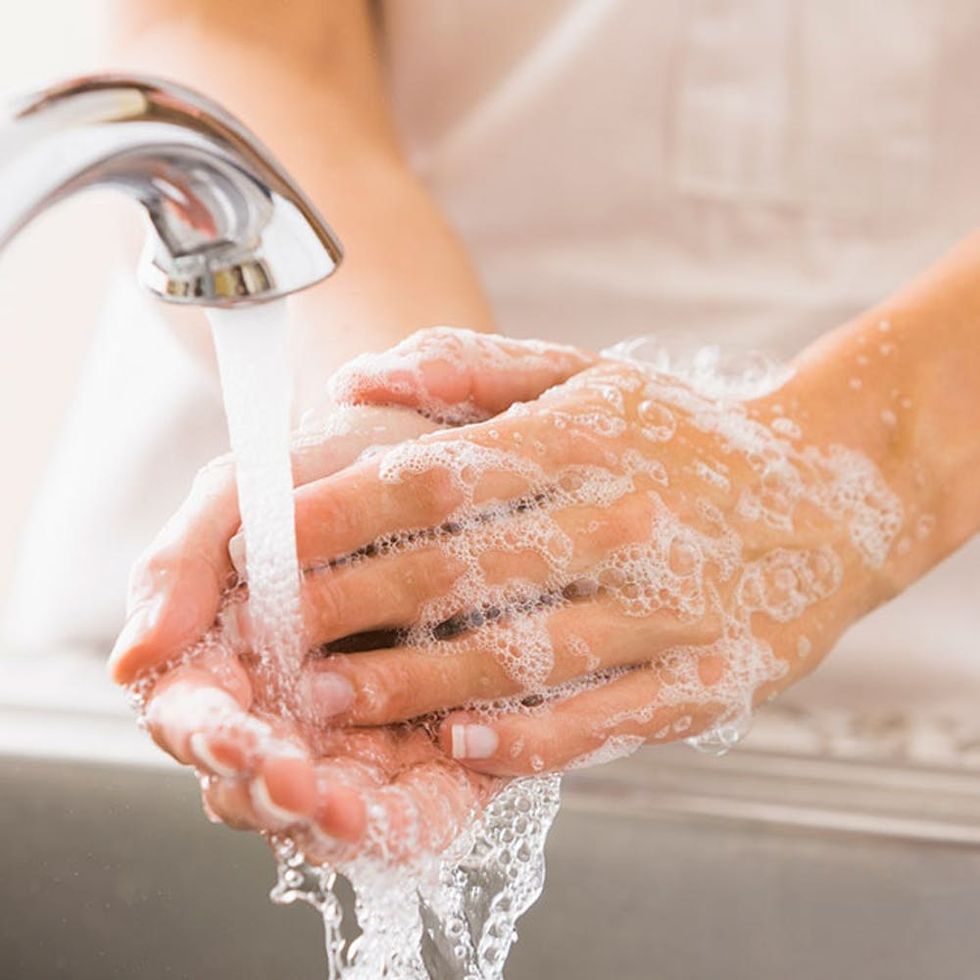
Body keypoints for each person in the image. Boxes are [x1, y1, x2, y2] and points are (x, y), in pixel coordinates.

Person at [12, 1, 980, 857]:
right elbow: (240, 24)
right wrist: (405, 453)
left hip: (940, 696)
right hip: (283, 565)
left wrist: (861, 463)